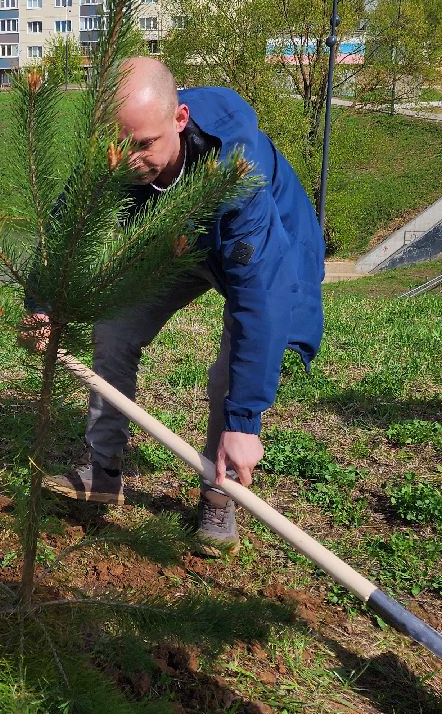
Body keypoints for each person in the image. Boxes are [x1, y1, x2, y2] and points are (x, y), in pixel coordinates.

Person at [37, 58, 325, 550]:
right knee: (114, 329)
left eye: (145, 145)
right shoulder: (123, 148)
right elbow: (68, 223)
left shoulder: (238, 169)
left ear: (180, 119)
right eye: (119, 145)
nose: (130, 160)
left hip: (264, 250)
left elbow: (261, 295)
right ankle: (103, 469)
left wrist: (245, 421)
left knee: (229, 377)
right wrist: (42, 302)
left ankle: (218, 499)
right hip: (178, 242)